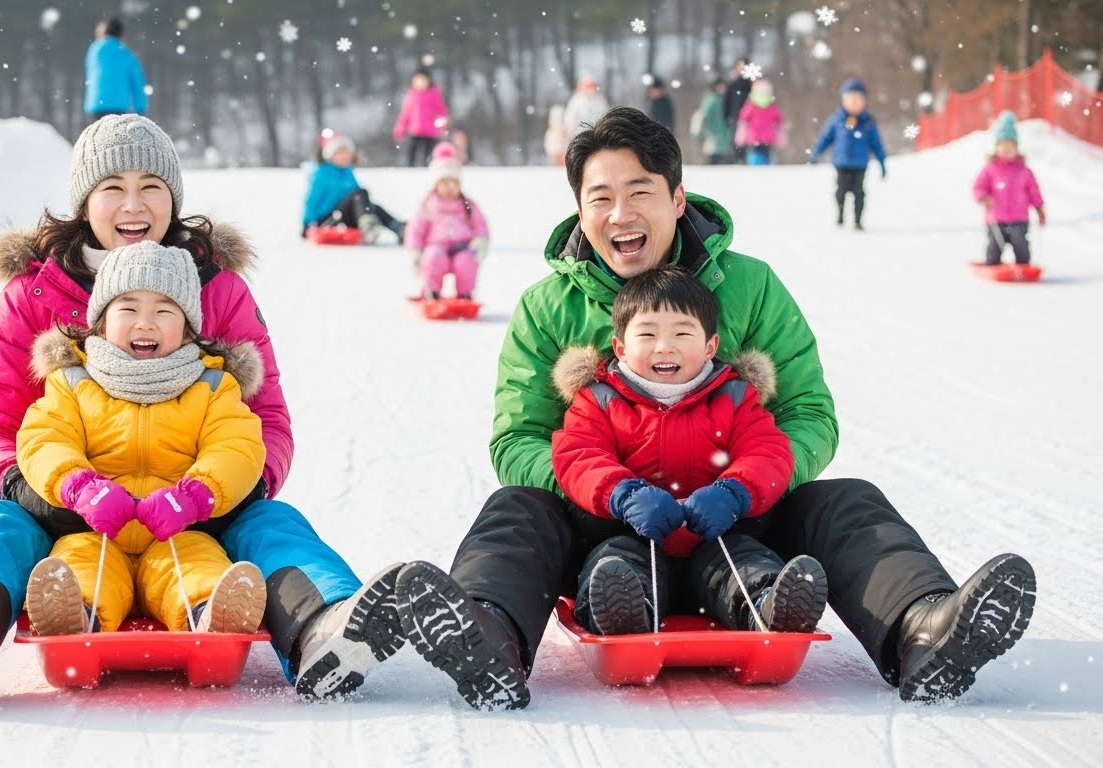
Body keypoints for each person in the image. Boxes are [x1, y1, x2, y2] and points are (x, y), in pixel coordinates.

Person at [391, 106, 1036, 710]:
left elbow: (810, 413)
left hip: (737, 514)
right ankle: (487, 635)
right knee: (515, 508)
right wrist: (609, 489)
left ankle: (925, 629)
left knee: (849, 501)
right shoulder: (546, 308)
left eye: (640, 193)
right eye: (602, 199)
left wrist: (746, 485)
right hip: (602, 522)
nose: (621, 214)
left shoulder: (750, 287)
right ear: (581, 212)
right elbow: (518, 441)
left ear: (676, 198)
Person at [0, 114, 408, 710]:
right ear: (84, 200)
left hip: (197, 506)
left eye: (152, 185)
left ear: (173, 198)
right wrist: (37, 490)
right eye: (112, 187)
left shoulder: (216, 288)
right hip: (71, 509)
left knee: (273, 527)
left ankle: (327, 629)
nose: (134, 204)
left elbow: (265, 421)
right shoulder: (33, 295)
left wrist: (231, 488)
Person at [550, 267, 825, 637]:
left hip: (716, 538)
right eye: (647, 334)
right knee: (614, 561)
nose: (665, 347)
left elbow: (768, 452)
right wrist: (622, 493)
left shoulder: (735, 397)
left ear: (710, 346)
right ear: (620, 347)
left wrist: (734, 492)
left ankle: (769, 605)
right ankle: (623, 612)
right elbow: (578, 455)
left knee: (746, 562)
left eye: (682, 333)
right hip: (634, 535)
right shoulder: (599, 399)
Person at [16, 240, 269, 637]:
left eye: (164, 311)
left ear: (188, 332)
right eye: (128, 308)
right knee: (79, 566)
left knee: (198, 567)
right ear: (100, 322)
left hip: (178, 532)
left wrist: (195, 494)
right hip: (95, 532)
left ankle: (208, 614)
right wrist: (80, 486)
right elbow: (43, 439)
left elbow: (237, 446)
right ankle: (75, 616)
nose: (145, 323)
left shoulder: (213, 386)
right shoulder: (72, 383)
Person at [404, 141, 490, 301]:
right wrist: (415, 251)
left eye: (454, 183)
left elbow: (480, 225)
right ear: (436, 185)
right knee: (433, 259)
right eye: (444, 183)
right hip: (435, 245)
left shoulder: (467, 204)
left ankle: (465, 295)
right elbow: (415, 229)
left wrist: (481, 240)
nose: (450, 187)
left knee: (466, 262)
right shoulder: (427, 205)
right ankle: (432, 292)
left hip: (463, 246)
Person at [301, 130, 407, 244]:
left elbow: (359, 202)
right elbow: (311, 200)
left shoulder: (348, 172)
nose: (345, 156)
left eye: (347, 153)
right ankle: (367, 226)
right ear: (330, 155)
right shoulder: (322, 173)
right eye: (341, 153)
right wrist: (307, 223)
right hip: (329, 219)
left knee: (372, 206)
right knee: (359, 194)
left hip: (346, 217)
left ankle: (400, 229)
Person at [809, 78, 888, 230]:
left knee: (859, 193)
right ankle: (840, 213)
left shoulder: (868, 122)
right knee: (841, 190)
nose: (854, 103)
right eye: (851, 99)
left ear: (864, 101)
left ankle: (858, 220)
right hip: (842, 163)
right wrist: (815, 153)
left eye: (858, 99)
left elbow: (877, 144)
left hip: (860, 164)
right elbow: (825, 138)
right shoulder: (837, 119)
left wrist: (882, 162)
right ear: (843, 100)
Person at [972, 111, 1045, 266]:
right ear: (996, 148)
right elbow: (979, 186)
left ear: (1016, 148)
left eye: (1010, 146)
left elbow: (1033, 191)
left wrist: (1039, 208)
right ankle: (992, 264)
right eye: (1003, 146)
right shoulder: (990, 169)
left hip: (1019, 219)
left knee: (1021, 244)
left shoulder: (1024, 171)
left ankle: (1023, 265)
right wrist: (983, 197)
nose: (1006, 150)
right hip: (996, 218)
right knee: (994, 245)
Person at [84, 17, 148, 121]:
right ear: (121, 34)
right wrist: (140, 108)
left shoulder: (94, 50)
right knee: (115, 136)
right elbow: (137, 82)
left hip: (96, 105)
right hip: (118, 105)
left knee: (97, 135)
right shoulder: (125, 53)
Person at [393, 67, 449, 167]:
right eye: (417, 81)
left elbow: (441, 113)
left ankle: (427, 168)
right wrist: (400, 129)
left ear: (428, 81)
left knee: (429, 154)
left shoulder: (434, 94)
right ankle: (411, 168)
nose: (420, 83)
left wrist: (441, 128)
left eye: (423, 80)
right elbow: (405, 114)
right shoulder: (411, 95)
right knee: (412, 152)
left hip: (430, 132)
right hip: (415, 131)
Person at [734, 78, 785, 166]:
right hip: (768, 137)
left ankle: (756, 167)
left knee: (755, 155)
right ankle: (764, 166)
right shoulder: (772, 108)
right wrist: (781, 139)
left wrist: (740, 137)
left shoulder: (750, 107)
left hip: (754, 137)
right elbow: (779, 124)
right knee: (765, 154)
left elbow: (743, 123)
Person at [690, 79, 734, 165]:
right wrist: (699, 131)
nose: (722, 89)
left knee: (725, 159)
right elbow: (702, 115)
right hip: (712, 133)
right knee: (713, 158)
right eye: (720, 86)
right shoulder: (711, 99)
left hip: (724, 133)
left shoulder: (726, 98)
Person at [723, 58, 753, 163]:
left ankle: (746, 160)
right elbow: (726, 101)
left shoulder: (751, 84)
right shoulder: (732, 84)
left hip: (750, 118)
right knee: (736, 142)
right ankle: (737, 161)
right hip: (735, 116)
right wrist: (726, 116)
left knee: (748, 141)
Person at [563, 74, 611, 140]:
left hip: (597, 135)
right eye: (589, 86)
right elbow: (570, 119)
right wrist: (572, 135)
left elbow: (605, 116)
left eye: (593, 86)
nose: (591, 89)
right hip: (579, 135)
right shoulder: (576, 100)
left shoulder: (601, 100)